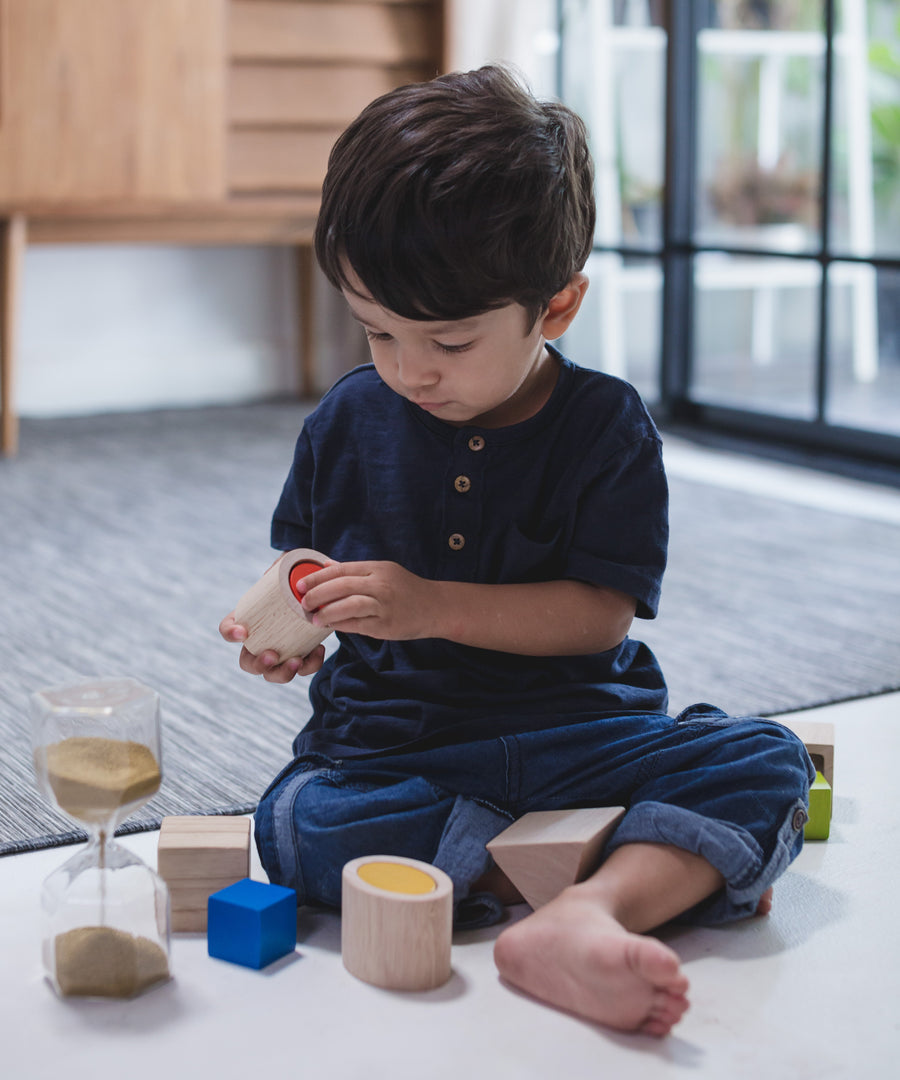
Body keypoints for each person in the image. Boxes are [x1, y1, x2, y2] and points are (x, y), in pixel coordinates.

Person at [220, 64, 813, 1037]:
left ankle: (581, 908)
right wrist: (291, 630)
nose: (409, 371)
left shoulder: (608, 427)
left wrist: (431, 604)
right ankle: (612, 864)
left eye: (449, 344)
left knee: (762, 757)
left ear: (558, 307)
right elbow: (309, 567)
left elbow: (599, 617)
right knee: (298, 824)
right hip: (399, 747)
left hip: (578, 731)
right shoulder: (345, 420)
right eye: (376, 331)